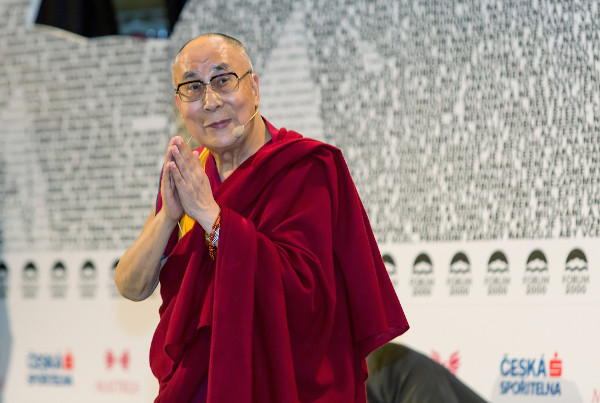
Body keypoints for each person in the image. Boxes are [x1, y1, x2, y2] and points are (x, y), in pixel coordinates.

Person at [114, 33, 408, 403]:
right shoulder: (190, 174)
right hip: (198, 389)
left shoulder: (307, 169)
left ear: (254, 87)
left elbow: (308, 296)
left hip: (285, 383)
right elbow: (131, 286)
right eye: (193, 87)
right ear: (179, 104)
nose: (211, 101)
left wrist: (210, 216)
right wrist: (168, 217)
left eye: (223, 80)